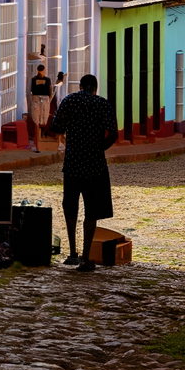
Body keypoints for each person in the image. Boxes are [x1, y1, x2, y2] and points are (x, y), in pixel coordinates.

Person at [49, 74, 118, 273]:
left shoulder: (69, 101)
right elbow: (114, 133)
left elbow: (55, 127)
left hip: (73, 162)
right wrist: (99, 148)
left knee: (70, 207)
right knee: (92, 211)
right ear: (95, 88)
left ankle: (72, 253)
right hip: (95, 164)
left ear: (80, 86)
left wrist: (71, 138)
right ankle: (86, 257)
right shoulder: (102, 104)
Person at [27, 64, 53, 151]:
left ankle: (40, 135)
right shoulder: (40, 80)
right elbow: (50, 90)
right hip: (40, 99)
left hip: (41, 99)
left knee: (42, 117)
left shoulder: (36, 79)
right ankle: (38, 136)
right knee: (39, 117)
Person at [52, 72, 69, 151]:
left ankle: (60, 142)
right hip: (63, 107)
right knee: (63, 126)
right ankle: (61, 142)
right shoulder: (62, 86)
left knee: (60, 126)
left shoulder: (56, 85)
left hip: (58, 107)